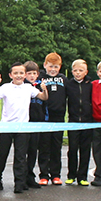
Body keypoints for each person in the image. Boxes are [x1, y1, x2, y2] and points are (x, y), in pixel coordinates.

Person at [0, 62, 41, 192]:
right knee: (2, 154)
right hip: (7, 126)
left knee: (20, 156)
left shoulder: (29, 88)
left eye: (21, 73)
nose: (18, 76)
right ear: (10, 75)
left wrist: (44, 89)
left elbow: (43, 97)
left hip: (23, 127)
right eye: (16, 73)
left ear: (25, 75)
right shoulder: (6, 87)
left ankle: (19, 182)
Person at [36, 54, 67, 185]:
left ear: (60, 67)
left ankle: (56, 174)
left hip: (58, 117)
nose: (53, 69)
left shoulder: (63, 79)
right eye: (50, 66)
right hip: (44, 117)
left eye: (56, 67)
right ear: (45, 65)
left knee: (56, 146)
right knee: (44, 146)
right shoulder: (40, 78)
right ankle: (44, 174)